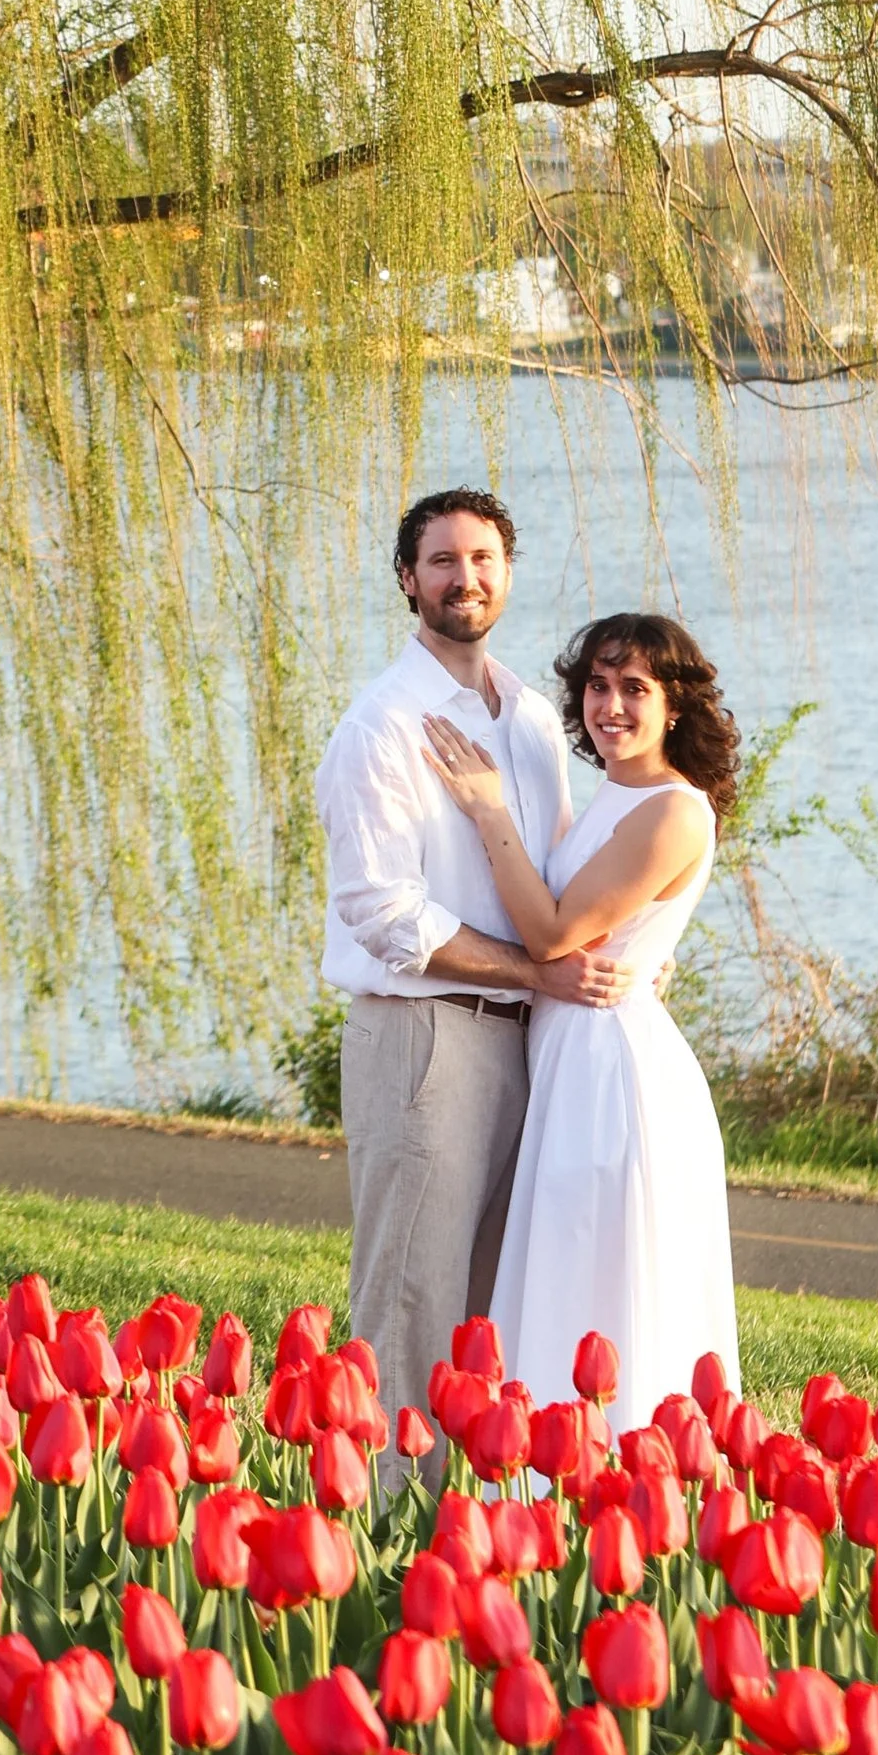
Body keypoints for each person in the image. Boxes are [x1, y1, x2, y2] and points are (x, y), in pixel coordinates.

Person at [314, 488, 630, 1481]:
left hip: (526, 1042)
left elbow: (556, 880)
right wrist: (535, 971)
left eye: (483, 558)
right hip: (425, 1041)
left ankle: (468, 1531)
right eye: (443, 561)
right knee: (411, 1300)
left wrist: (626, 949)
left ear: (507, 572)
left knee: (495, 1306)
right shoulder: (382, 726)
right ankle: (385, 1525)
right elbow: (381, 912)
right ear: (408, 581)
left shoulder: (531, 719)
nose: (466, 578)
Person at [421, 609, 740, 1427]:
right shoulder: (616, 796)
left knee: (599, 1278)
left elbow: (553, 933)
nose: (611, 706)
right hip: (573, 1057)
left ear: (676, 705)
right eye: (598, 686)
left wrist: (490, 813)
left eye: (635, 688)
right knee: (562, 1272)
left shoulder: (674, 811)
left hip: (613, 1077)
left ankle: (618, 1467)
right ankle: (553, 1467)